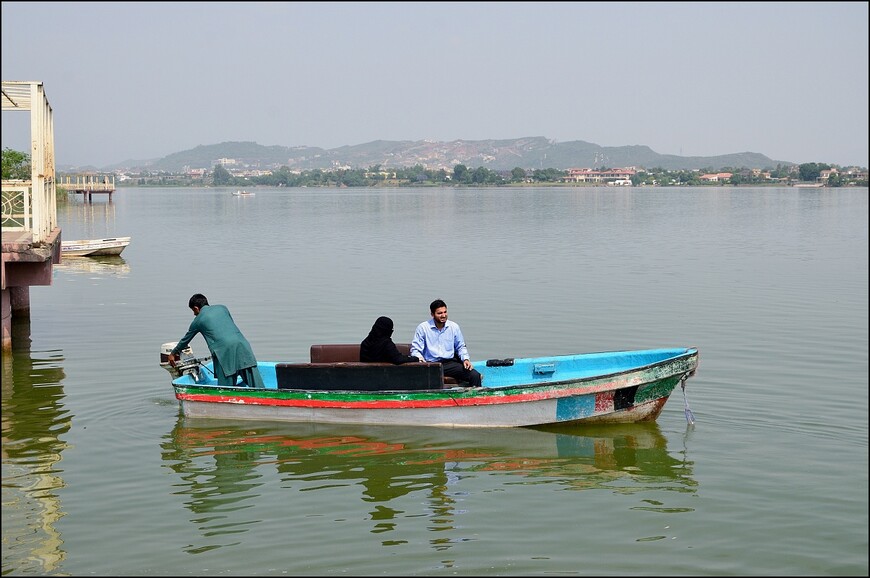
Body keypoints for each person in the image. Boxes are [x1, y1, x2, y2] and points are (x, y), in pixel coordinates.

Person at [167, 293, 265, 388]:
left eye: (193, 311)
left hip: (224, 352)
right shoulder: (223, 308)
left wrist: (173, 353)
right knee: (256, 382)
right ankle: (266, 398)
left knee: (225, 388)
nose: (194, 314)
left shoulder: (198, 320)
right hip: (242, 344)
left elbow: (185, 340)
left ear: (196, 308)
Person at [410, 299, 482, 387]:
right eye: (439, 313)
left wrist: (465, 359)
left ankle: (474, 398)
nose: (443, 315)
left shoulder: (454, 327)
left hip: (449, 364)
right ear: (432, 314)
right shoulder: (423, 328)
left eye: (445, 312)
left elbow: (460, 346)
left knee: (475, 376)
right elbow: (415, 350)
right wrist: (422, 362)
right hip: (431, 364)